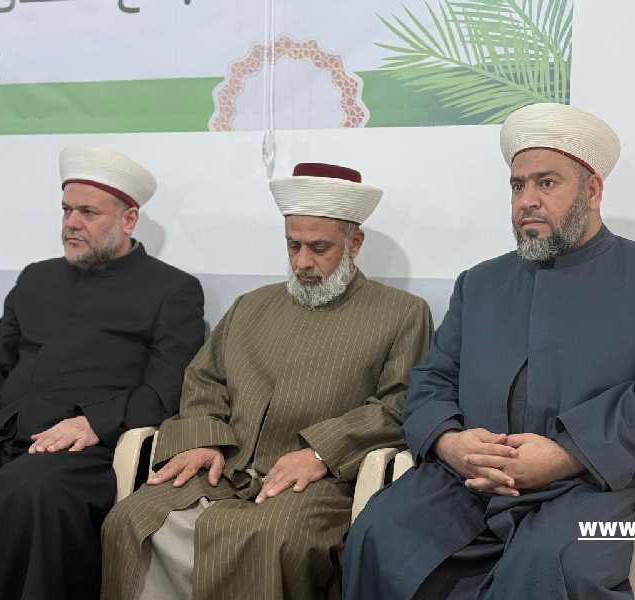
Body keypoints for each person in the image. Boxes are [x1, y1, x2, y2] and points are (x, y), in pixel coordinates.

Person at [343, 103, 635, 600]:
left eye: (547, 183)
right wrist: (452, 444)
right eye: (518, 186)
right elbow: (432, 381)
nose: (527, 201)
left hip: (599, 482)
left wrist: (564, 455)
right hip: (471, 482)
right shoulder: (480, 283)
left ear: (592, 191)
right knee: (379, 534)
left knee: (553, 563)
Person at [101, 162, 434, 600]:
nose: (302, 262)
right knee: (129, 520)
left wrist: (320, 453)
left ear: (354, 243)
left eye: (319, 248)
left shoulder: (402, 313)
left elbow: (399, 403)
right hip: (228, 465)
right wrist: (204, 441)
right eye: (293, 245)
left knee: (268, 536)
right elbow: (205, 379)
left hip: (322, 481)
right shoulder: (250, 306)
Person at [0, 145, 206, 600]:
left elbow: (167, 389)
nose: (71, 223)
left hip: (79, 449)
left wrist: (93, 422)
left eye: (88, 212)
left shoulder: (173, 290)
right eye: (66, 210)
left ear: (128, 220)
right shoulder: (36, 278)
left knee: (25, 493)